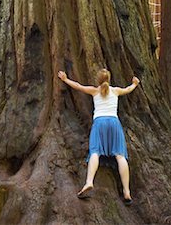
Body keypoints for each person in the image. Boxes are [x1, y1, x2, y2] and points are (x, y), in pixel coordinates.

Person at [58, 68, 140, 205]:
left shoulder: (94, 91)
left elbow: (78, 86)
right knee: (120, 156)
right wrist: (135, 84)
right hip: (114, 123)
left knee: (95, 152)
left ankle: (89, 182)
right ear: (109, 79)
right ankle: (127, 191)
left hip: (99, 123)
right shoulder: (116, 91)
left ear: (98, 80)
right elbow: (128, 89)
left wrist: (65, 79)